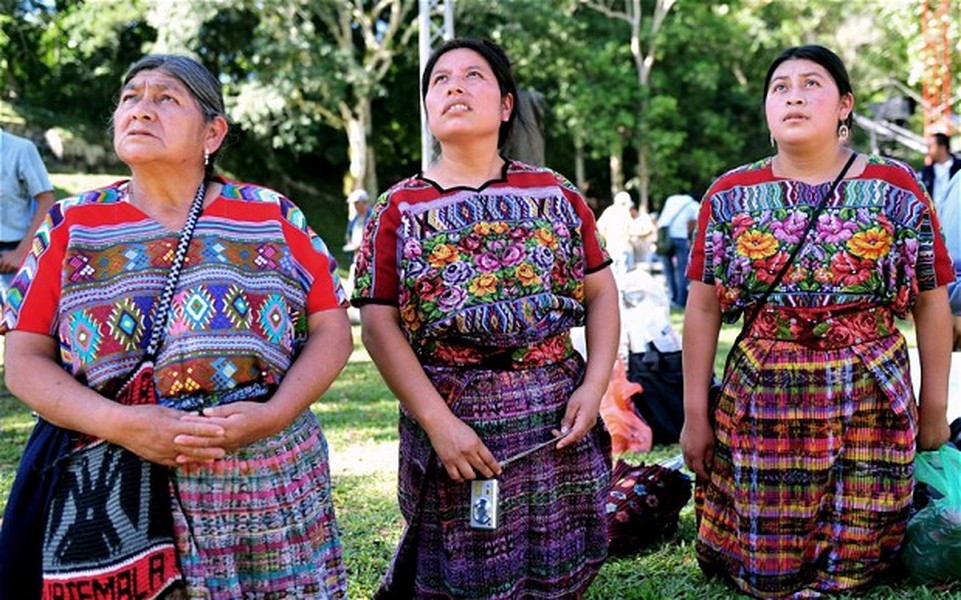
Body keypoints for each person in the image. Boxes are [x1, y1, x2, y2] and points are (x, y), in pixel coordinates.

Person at [0, 54, 352, 598]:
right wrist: (123, 424)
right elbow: (23, 361)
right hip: (115, 483)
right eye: (130, 98)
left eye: (166, 98)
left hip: (265, 480)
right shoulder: (70, 226)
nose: (141, 110)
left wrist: (274, 414)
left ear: (213, 132)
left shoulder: (272, 215)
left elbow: (331, 329)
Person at [681, 45, 953, 598]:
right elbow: (704, 305)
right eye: (779, 87)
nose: (794, 96)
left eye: (811, 84)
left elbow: (931, 298)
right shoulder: (729, 195)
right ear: (766, 108)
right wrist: (693, 416)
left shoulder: (897, 188)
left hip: (869, 389)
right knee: (766, 564)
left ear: (845, 105)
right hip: (764, 390)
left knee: (860, 547)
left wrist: (937, 408)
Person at [351, 38, 619, 598]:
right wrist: (439, 425)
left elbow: (600, 294)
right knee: (464, 564)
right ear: (427, 107)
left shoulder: (555, 193)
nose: (454, 86)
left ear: (504, 104)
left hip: (554, 407)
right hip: (454, 411)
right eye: (439, 80)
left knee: (560, 555)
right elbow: (379, 328)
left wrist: (594, 388)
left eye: (474, 75)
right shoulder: (397, 209)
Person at [0, 127, 55, 298]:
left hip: (9, 255)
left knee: (12, 318)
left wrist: (21, 252)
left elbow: (47, 202)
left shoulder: (20, 149)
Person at [656, 193, 698, 307]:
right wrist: (689, 236)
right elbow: (694, 222)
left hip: (665, 236)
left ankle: (672, 298)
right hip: (679, 237)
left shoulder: (670, 199)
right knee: (682, 270)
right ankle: (681, 300)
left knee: (668, 269)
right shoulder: (693, 204)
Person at [597, 190, 636, 275]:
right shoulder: (625, 213)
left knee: (613, 273)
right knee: (623, 274)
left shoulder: (609, 211)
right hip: (624, 248)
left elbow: (599, 228)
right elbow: (632, 231)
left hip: (612, 247)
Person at [919, 132, 961, 208]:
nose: (928, 151)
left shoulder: (959, 168)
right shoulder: (925, 172)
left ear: (942, 147)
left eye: (930, 147)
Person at [343, 187, 370, 268]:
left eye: (356, 203)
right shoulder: (355, 217)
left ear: (363, 203)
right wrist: (349, 241)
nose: (354, 206)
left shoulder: (372, 218)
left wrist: (361, 245)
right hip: (355, 255)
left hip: (367, 257)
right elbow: (349, 233)